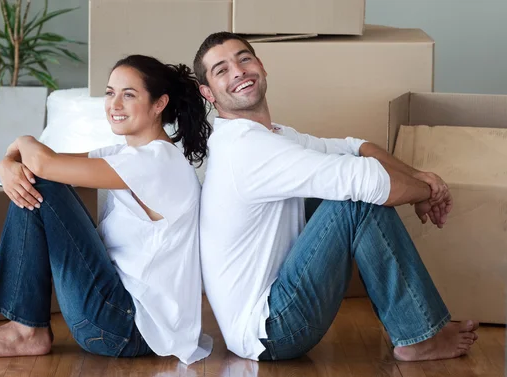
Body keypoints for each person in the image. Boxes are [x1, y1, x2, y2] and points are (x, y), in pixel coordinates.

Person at [193, 32, 479, 362]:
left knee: (354, 176)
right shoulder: (247, 149)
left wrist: (416, 177)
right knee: (356, 199)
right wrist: (429, 191)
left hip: (272, 311)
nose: (238, 71)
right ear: (208, 92)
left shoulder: (270, 136)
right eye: (221, 70)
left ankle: (416, 328)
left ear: (261, 66)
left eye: (243, 59)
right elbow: (368, 181)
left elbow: (353, 147)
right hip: (273, 329)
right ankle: (419, 335)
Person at [0, 54, 213, 364]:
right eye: (110, 92)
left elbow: (41, 164)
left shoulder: (157, 163)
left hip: (125, 328)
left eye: (128, 95)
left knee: (43, 183)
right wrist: (6, 164)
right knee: (41, 178)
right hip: (118, 319)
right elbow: (38, 160)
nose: (114, 104)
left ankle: (26, 329)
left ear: (159, 104)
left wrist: (23, 141)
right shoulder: (126, 153)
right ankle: (25, 327)